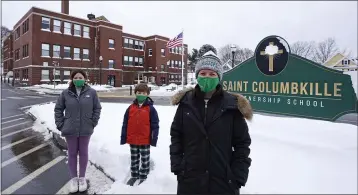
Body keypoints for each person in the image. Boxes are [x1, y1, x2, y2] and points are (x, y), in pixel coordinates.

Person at [169, 51, 253, 195]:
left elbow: (242, 144)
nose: (207, 77)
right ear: (197, 75)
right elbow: (176, 135)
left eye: (212, 74)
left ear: (219, 77)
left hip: (224, 182)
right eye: (203, 73)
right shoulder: (185, 103)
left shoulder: (232, 106)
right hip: (189, 180)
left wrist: (238, 175)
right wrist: (178, 166)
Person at [54, 70, 102, 193]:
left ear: (85, 79)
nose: (78, 79)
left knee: (84, 153)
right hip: (70, 129)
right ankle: (74, 179)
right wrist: (60, 124)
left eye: (80, 77)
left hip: (86, 129)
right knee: (72, 153)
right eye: (75, 77)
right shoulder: (66, 93)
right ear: (72, 79)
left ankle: (82, 178)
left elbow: (97, 108)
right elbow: (58, 109)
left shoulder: (91, 93)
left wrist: (93, 121)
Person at [120, 83, 160, 186]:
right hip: (132, 139)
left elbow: (155, 125)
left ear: (147, 94)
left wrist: (153, 139)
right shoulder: (130, 108)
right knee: (134, 159)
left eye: (143, 93)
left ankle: (143, 176)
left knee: (145, 159)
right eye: (138, 92)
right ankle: (134, 175)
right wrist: (124, 137)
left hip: (145, 139)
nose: (141, 94)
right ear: (135, 93)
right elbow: (125, 123)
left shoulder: (151, 109)